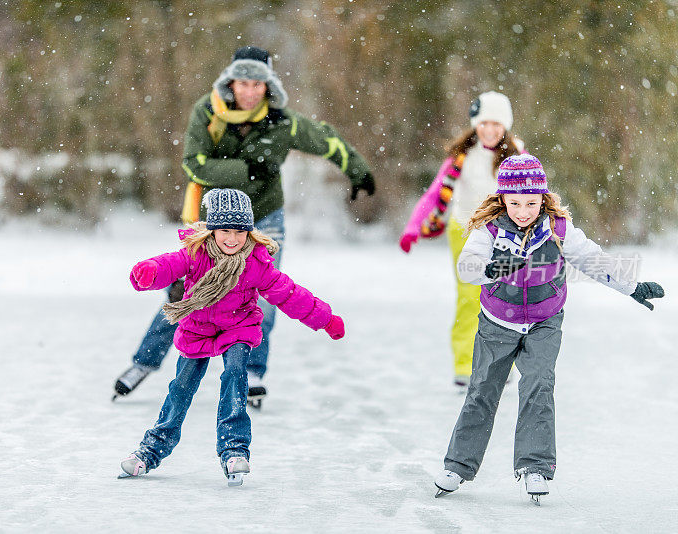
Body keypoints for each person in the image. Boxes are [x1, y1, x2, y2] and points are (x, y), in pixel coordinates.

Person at [113, 45, 374, 406]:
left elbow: (327, 139)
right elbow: (194, 163)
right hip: (212, 220)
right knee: (186, 293)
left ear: (268, 86)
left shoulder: (284, 122)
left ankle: (252, 371)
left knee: (265, 294)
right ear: (230, 82)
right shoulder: (208, 112)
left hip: (264, 217)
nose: (250, 91)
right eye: (243, 83)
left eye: (257, 84)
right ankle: (143, 363)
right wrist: (246, 170)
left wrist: (358, 171)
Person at [432, 154, 664, 503]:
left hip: (544, 321)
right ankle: (458, 466)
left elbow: (593, 259)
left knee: (539, 387)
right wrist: (500, 265)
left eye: (530, 202)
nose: (523, 210)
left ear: (543, 198)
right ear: (502, 200)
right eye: (514, 203)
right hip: (497, 323)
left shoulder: (558, 230)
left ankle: (535, 466)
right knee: (482, 391)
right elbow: (468, 268)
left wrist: (632, 287)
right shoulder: (489, 230)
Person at [118, 188, 345, 485]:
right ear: (212, 230)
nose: (232, 238)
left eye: (240, 231)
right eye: (225, 229)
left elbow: (289, 293)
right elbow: (168, 264)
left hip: (237, 328)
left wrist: (324, 319)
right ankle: (151, 449)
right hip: (196, 328)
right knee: (181, 388)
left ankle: (234, 449)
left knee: (236, 375)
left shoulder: (255, 262)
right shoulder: (196, 254)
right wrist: (148, 271)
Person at [399, 91, 522, 388]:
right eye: (484, 124)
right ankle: (465, 364)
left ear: (505, 126)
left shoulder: (517, 157)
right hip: (464, 232)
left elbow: (534, 197)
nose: (490, 130)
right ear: (475, 125)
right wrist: (413, 228)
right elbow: (434, 193)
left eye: (496, 124)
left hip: (504, 233)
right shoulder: (461, 157)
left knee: (506, 298)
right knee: (470, 297)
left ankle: (502, 364)